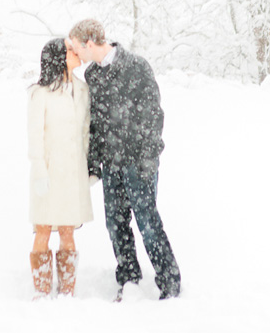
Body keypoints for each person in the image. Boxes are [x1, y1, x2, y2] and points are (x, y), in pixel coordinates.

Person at [69, 19, 181, 301]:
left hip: (139, 162)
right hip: (113, 164)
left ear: (89, 43)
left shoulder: (136, 66)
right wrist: (95, 164)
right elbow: (95, 124)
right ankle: (128, 278)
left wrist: (146, 158)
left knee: (147, 222)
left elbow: (154, 115)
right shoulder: (93, 75)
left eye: (76, 47)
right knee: (115, 224)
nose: (75, 54)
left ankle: (169, 283)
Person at [27, 37, 93, 298]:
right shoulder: (39, 93)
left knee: (67, 228)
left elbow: (86, 132)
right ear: (57, 57)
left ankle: (67, 290)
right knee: (43, 227)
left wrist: (89, 169)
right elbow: (35, 136)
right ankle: (42, 290)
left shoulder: (83, 90)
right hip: (48, 171)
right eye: (69, 49)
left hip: (73, 173)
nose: (75, 52)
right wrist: (40, 171)